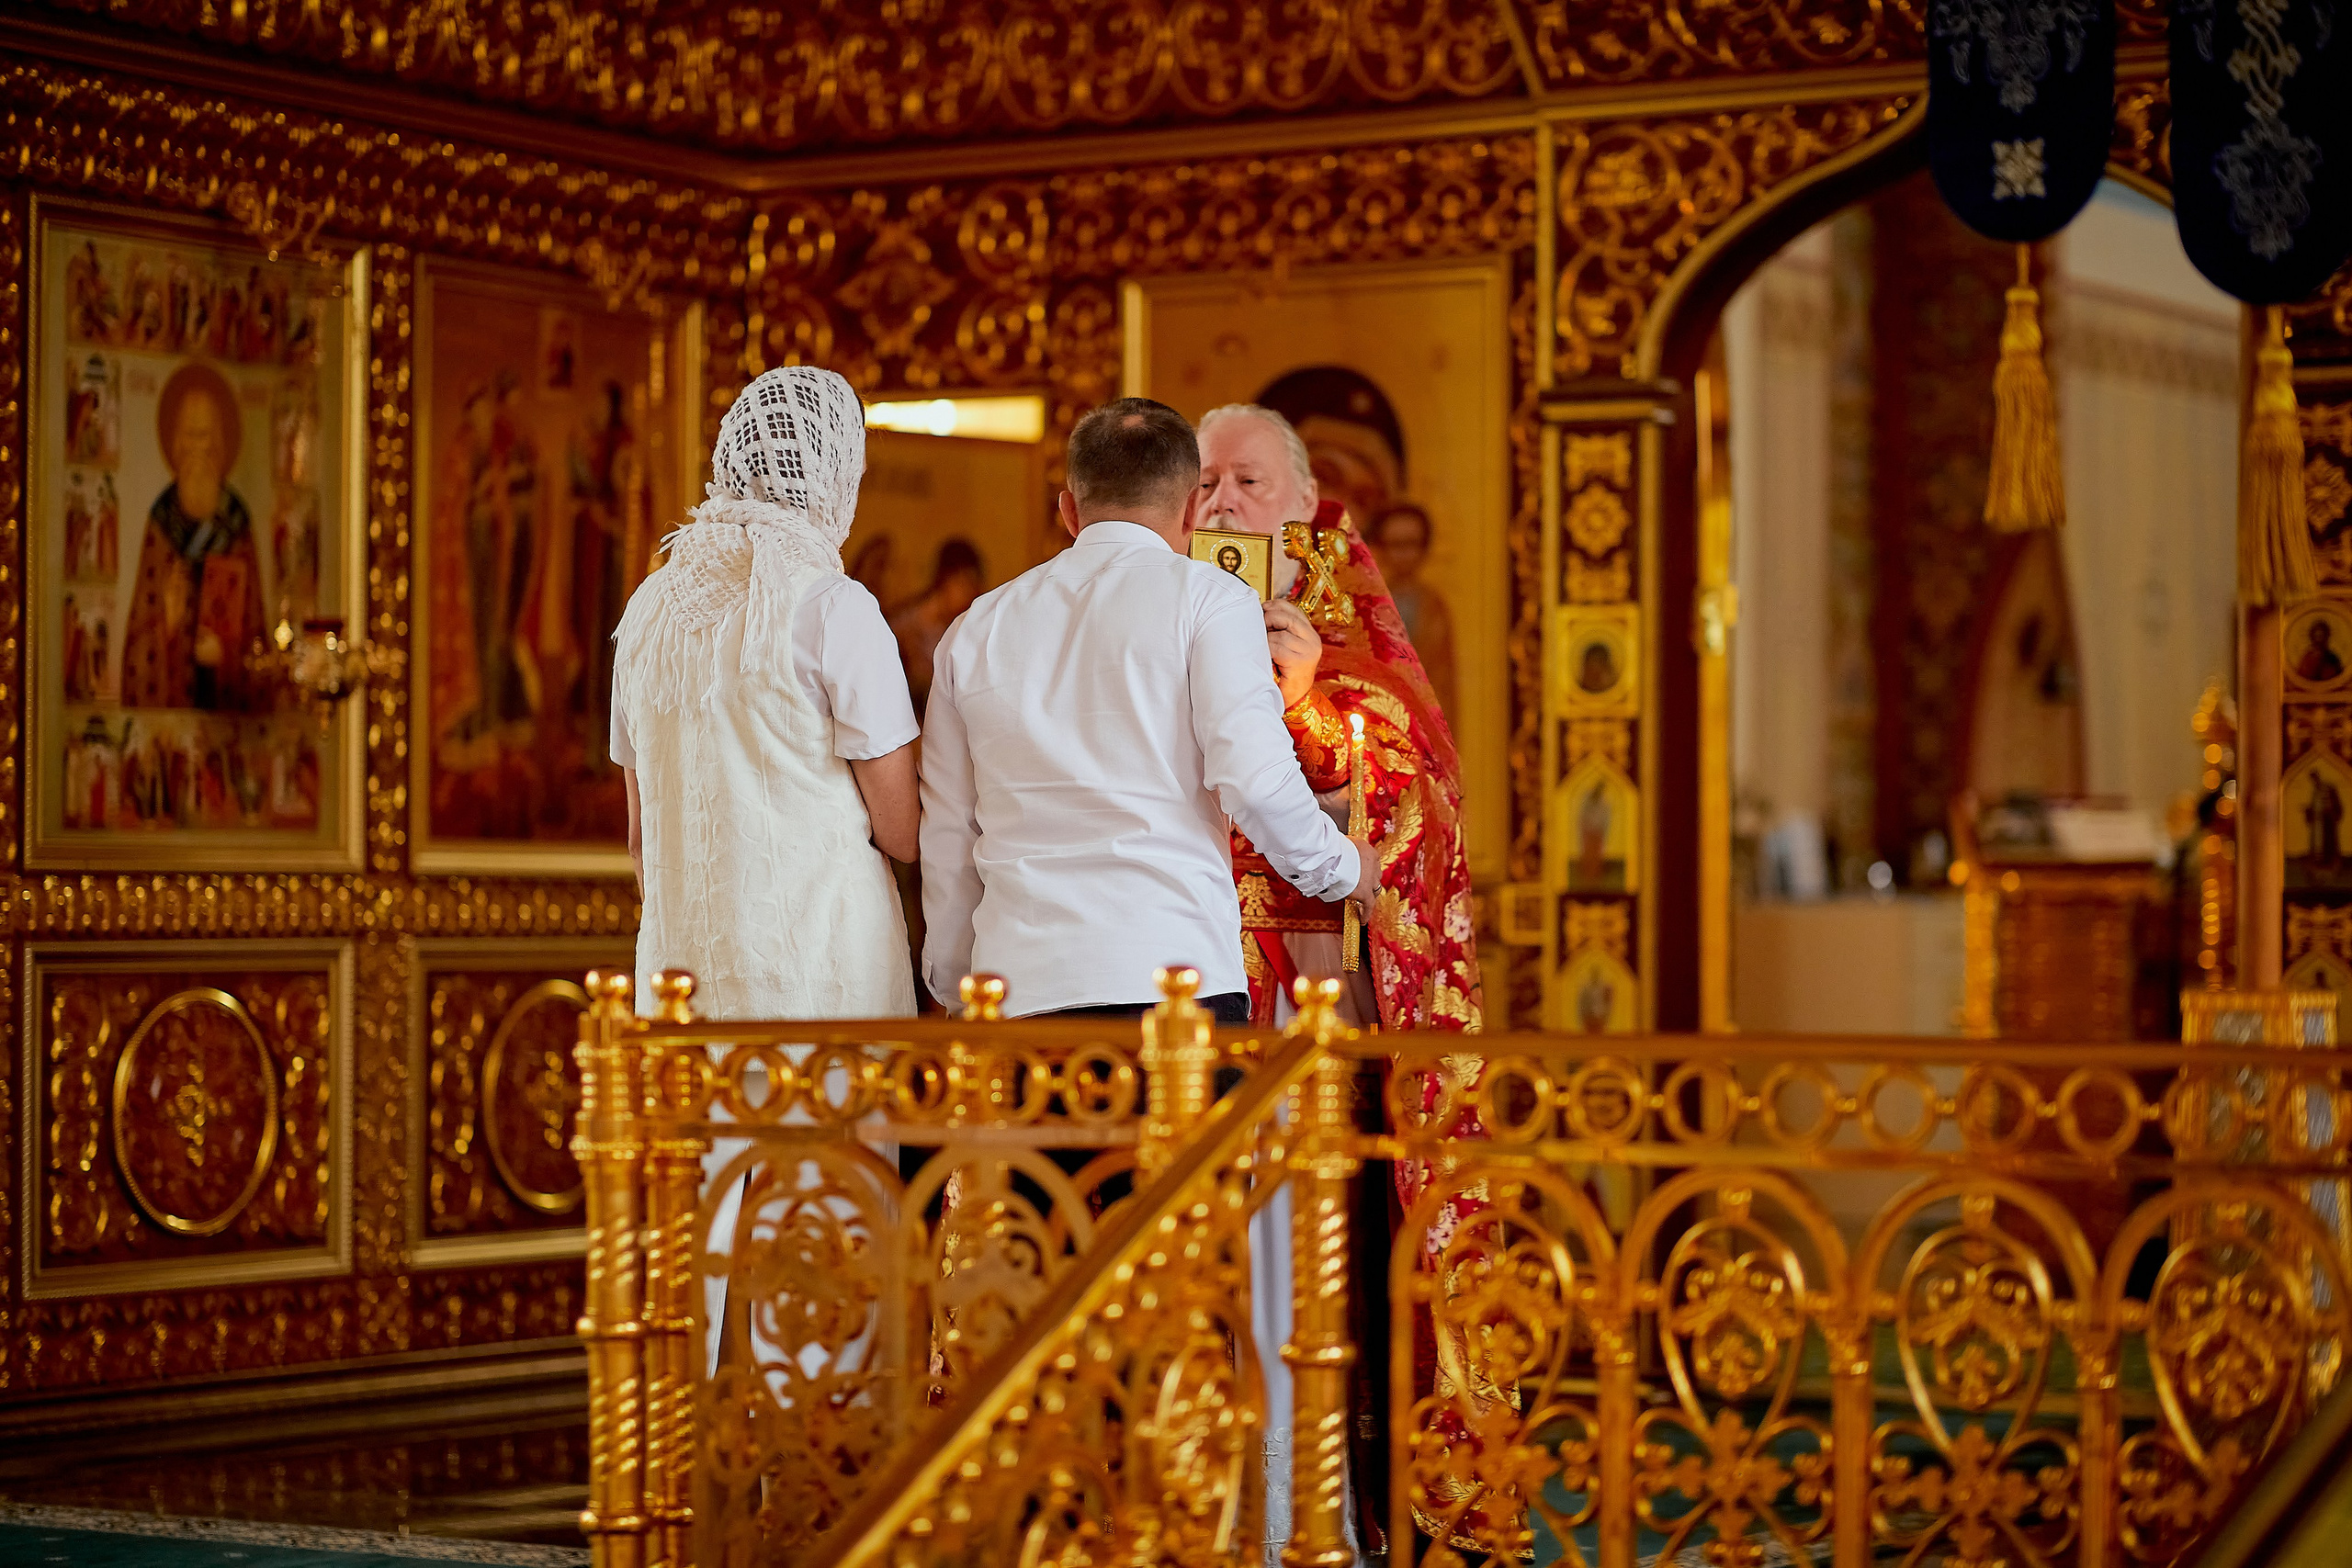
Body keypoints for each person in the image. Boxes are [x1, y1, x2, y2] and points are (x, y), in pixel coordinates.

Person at [1195, 400, 1486, 1560]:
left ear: (1310, 507)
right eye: (1204, 482)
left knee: (1312, 1278)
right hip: (1189, 1002)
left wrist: (1310, 698)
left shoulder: (1355, 652)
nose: (1221, 502)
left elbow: (1416, 818)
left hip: (1314, 1015)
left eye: (1248, 483)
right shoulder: (1157, 622)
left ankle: (1320, 1517)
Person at [918, 397, 1376, 1025]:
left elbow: (948, 833)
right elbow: (1252, 777)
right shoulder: (1212, 601)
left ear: (1068, 509)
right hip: (1174, 979)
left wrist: (953, 980)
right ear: (1193, 507)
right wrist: (1343, 867)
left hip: (1017, 992)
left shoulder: (973, 630)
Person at [610, 364, 919, 1021]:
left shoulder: (644, 612)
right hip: (824, 986)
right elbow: (902, 830)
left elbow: (642, 838)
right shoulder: (835, 606)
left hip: (681, 991)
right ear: (836, 473)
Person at [121, 362, 266, 711]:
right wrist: (167, 625)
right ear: (174, 443)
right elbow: (136, 651)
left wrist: (225, 656)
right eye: (189, 434)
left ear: (220, 442)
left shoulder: (235, 522)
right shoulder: (161, 522)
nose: (197, 449)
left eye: (205, 435)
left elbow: (259, 643)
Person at [888, 537, 984, 716]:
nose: (972, 593)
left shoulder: (962, 626)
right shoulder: (903, 625)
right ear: (946, 580)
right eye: (966, 583)